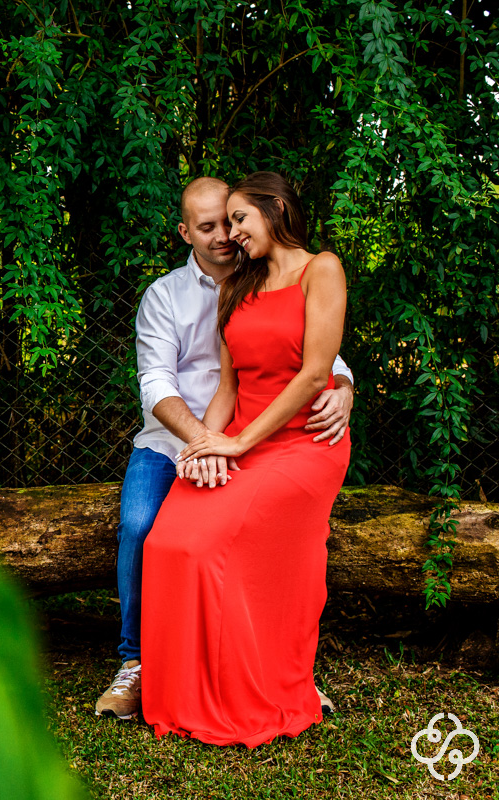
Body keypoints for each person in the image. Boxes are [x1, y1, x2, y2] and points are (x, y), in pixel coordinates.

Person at [94, 176, 353, 721]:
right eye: (211, 226)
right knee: (145, 528)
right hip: (176, 442)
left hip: (251, 440)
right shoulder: (166, 295)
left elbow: (313, 361)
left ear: (266, 211)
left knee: (251, 537)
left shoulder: (264, 274)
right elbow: (156, 386)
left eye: (233, 221)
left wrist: (346, 388)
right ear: (186, 231)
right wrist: (206, 444)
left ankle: (282, 670)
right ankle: (138, 663)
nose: (226, 235)